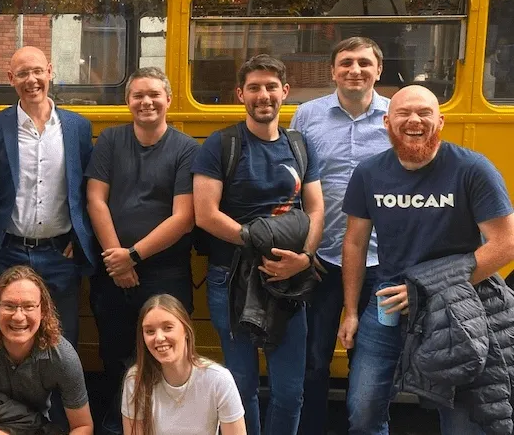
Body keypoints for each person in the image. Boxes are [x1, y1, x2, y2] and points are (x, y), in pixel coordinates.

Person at [337, 85, 514, 435]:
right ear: (387, 122)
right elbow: (355, 243)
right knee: (363, 411)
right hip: (388, 301)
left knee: (462, 419)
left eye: (424, 113)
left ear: (440, 121)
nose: (414, 120)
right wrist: (352, 311)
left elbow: (505, 243)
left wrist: (428, 287)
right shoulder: (369, 173)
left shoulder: (472, 169)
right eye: (403, 113)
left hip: (457, 305)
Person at [191, 55, 323, 435]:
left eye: (270, 87)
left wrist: (304, 259)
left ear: (285, 92)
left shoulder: (299, 146)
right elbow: (206, 214)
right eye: (253, 88)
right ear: (240, 95)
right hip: (230, 279)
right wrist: (257, 243)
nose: (262, 95)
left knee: (288, 391)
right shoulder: (221, 145)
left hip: (289, 281)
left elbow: (315, 208)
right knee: (241, 386)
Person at [85, 66, 199, 434]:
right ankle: (121, 424)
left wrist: (131, 256)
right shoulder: (110, 141)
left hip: (166, 273)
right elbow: (95, 201)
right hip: (112, 268)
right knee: (115, 353)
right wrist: (116, 258)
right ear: (127, 101)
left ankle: (166, 424)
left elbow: (183, 217)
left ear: (168, 99)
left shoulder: (187, 149)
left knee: (167, 351)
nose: (146, 102)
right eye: (138, 95)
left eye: (154, 94)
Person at [289, 37, 389, 435]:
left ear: (378, 71)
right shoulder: (307, 117)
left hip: (382, 262)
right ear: (332, 71)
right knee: (313, 359)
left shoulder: (395, 116)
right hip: (322, 259)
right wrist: (303, 247)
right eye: (346, 62)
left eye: (365, 63)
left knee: (373, 361)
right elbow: (293, 185)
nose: (355, 70)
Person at [0, 45, 96, 345]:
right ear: (10, 78)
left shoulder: (77, 127)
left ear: (50, 71)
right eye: (23, 73)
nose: (32, 80)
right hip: (8, 252)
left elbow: (87, 189)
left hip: (60, 255)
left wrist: (80, 237)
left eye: (38, 71)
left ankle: (59, 395)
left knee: (61, 340)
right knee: (7, 339)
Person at [0, 265, 93, 435]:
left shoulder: (62, 355)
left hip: (31, 427)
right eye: (9, 306)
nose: (18, 316)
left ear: (43, 310)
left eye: (28, 306)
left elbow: (83, 426)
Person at [122, 294, 246, 435]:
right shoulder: (136, 379)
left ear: (186, 330)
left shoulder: (218, 379)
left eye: (168, 327)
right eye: (150, 331)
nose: (159, 338)